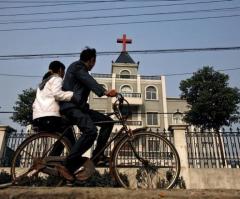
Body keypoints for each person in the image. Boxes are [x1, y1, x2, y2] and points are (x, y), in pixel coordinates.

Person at [59, 47, 117, 180]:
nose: (94, 64)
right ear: (92, 60)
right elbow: (89, 81)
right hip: (71, 107)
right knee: (91, 131)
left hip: (80, 108)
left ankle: (97, 156)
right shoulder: (78, 67)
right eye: (94, 62)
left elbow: (87, 81)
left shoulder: (81, 70)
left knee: (108, 122)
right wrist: (105, 92)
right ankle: (67, 165)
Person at [32, 61, 76, 155]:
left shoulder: (42, 84)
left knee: (65, 137)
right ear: (60, 70)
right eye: (63, 72)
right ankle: (75, 158)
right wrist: (73, 95)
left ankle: (52, 160)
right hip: (50, 118)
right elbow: (57, 94)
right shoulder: (56, 78)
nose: (64, 75)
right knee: (70, 136)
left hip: (38, 118)